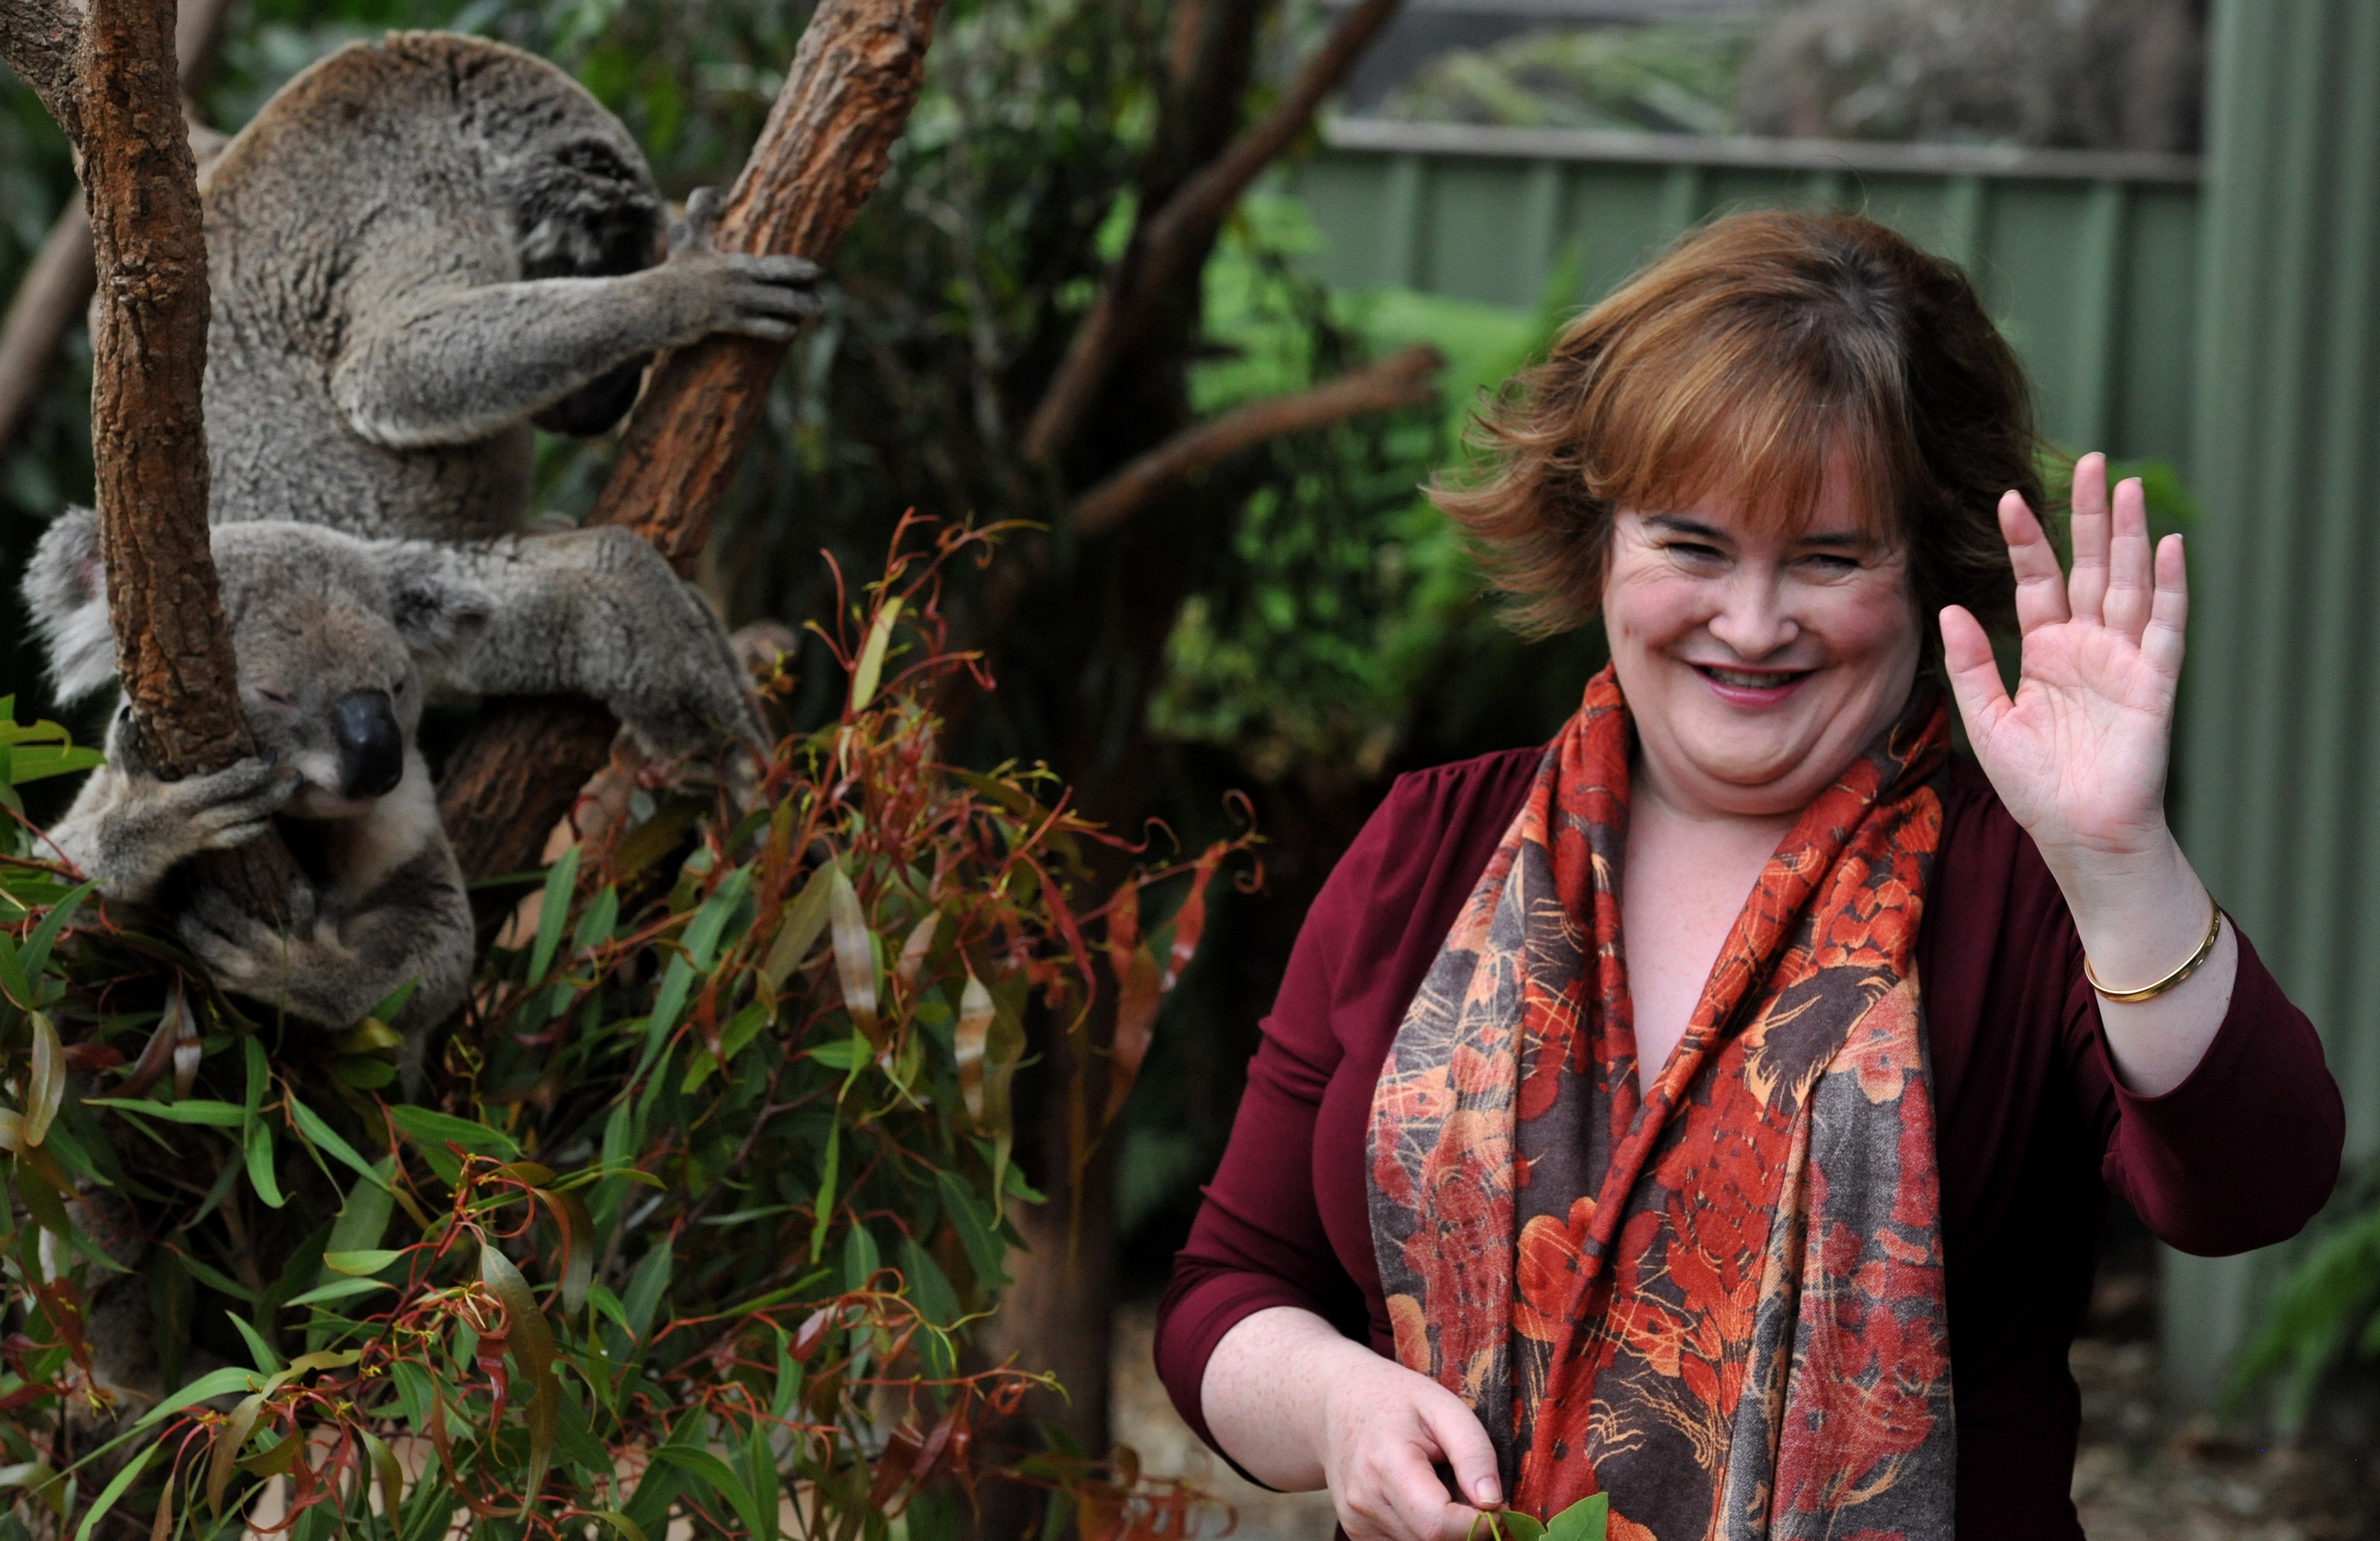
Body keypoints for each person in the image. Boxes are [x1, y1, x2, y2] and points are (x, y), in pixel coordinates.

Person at [1153, 211, 2343, 1541]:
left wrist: (2119, 858)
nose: (1751, 621)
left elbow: (2259, 1184)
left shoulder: (2020, 889)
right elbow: (1224, 1288)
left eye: (1827, 557)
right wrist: (1330, 1401)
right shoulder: (1426, 849)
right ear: (1596, 532)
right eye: (1692, 544)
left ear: (1925, 570)